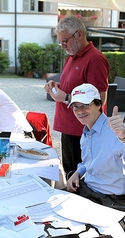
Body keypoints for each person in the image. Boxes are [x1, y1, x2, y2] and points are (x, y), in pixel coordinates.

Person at [44, 15, 110, 177]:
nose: (62, 46)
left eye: (65, 41)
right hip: (69, 127)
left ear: (79, 34)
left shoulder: (95, 59)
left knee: (80, 176)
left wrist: (65, 98)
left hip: (82, 130)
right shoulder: (72, 57)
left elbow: (99, 100)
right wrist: (55, 87)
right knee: (70, 172)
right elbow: (74, 88)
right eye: (60, 42)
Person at [66, 83, 125, 207]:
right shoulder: (87, 131)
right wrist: (78, 173)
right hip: (88, 189)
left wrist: (124, 137)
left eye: (85, 105)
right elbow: (88, 161)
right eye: (75, 106)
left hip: (110, 200)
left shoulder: (115, 130)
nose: (80, 111)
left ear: (99, 105)